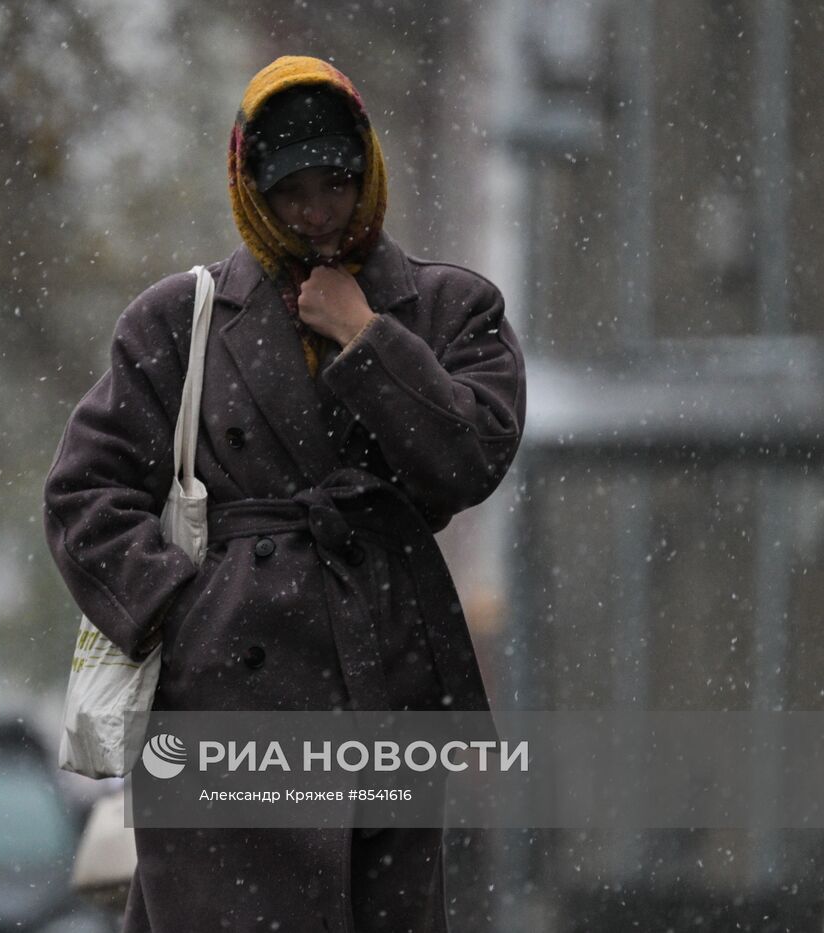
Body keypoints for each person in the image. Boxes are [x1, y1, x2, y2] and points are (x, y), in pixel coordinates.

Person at [43, 54, 526, 932]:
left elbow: (469, 458)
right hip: (227, 703)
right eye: (289, 190)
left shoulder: (450, 309)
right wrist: (182, 614)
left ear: (368, 170)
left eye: (334, 183)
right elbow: (85, 491)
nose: (314, 212)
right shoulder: (176, 322)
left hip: (387, 682)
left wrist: (365, 335)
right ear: (249, 188)